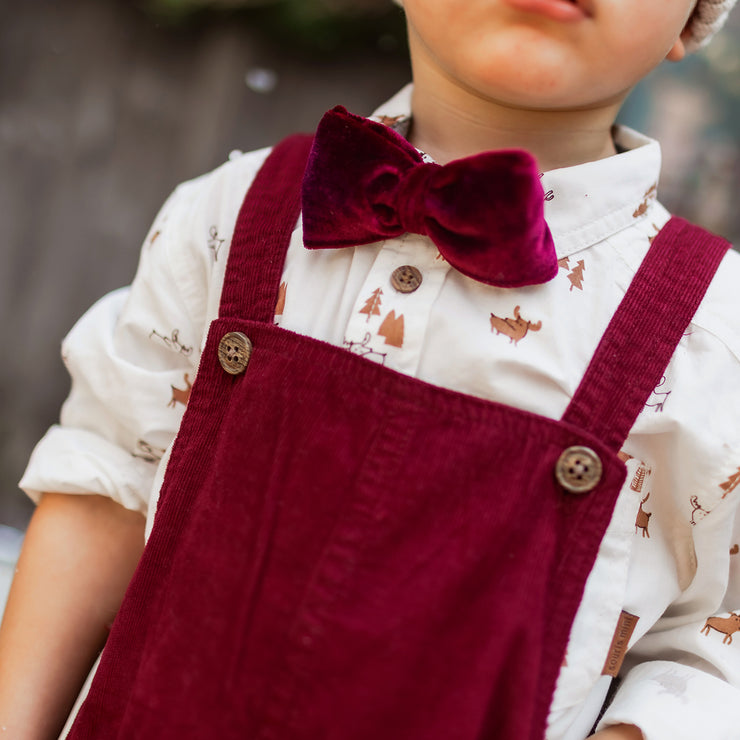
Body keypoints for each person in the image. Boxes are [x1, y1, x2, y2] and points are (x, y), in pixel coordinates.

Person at [1, 0, 738, 738]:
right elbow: (105, 494)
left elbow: (715, 644)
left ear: (691, 19)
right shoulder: (227, 218)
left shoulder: (713, 340)